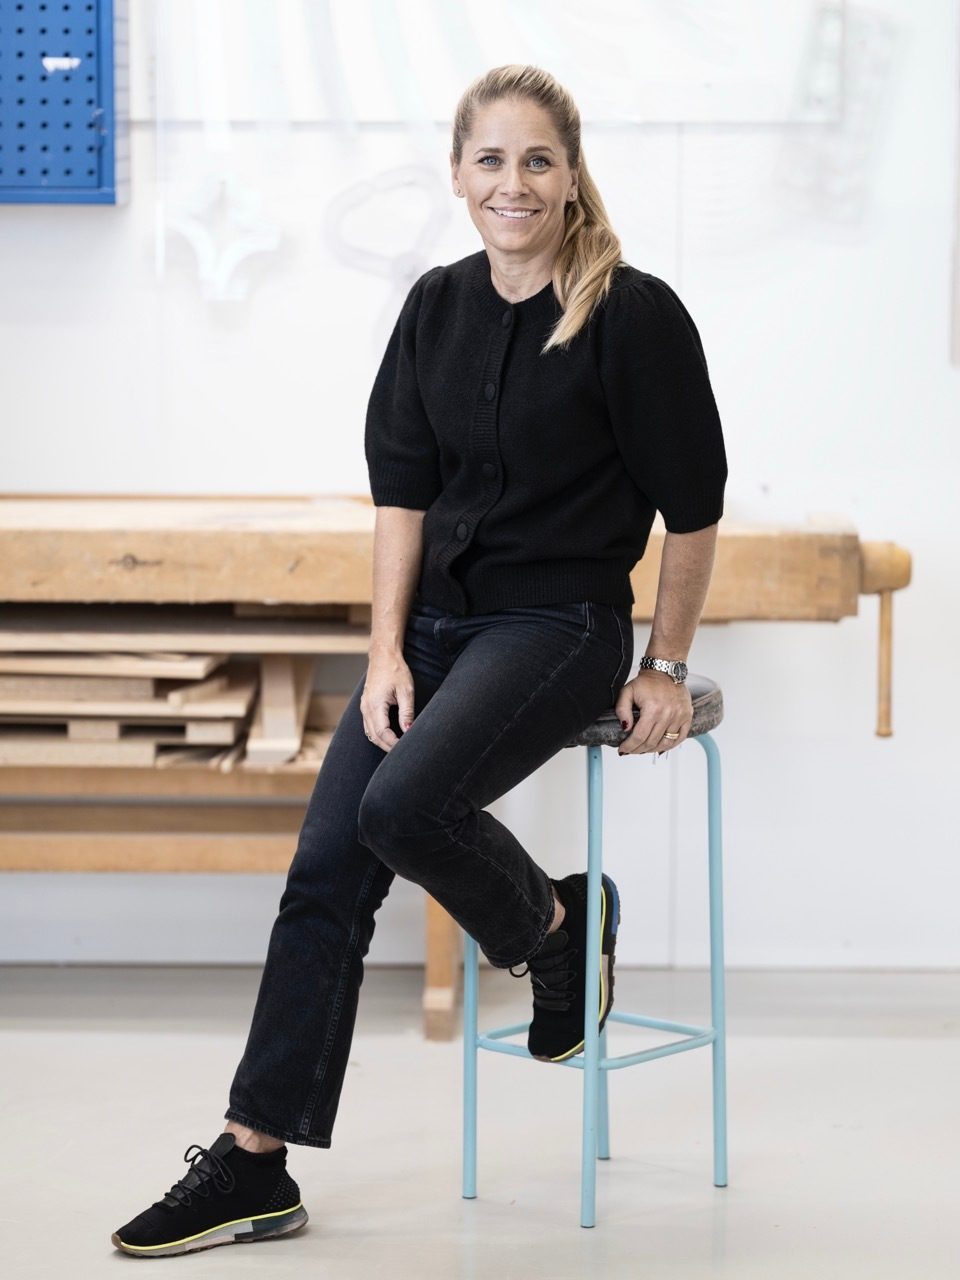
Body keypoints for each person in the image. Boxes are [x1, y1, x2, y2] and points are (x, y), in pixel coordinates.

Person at [111, 62, 727, 1258]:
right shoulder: (435, 306)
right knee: (327, 869)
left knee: (403, 804)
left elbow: (693, 509)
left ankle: (552, 929)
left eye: (537, 159)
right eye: (491, 159)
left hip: (559, 629)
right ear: (456, 175)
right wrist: (384, 646)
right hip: (437, 627)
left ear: (570, 174)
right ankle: (255, 1160)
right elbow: (401, 496)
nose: (513, 182)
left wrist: (666, 659)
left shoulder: (632, 314)